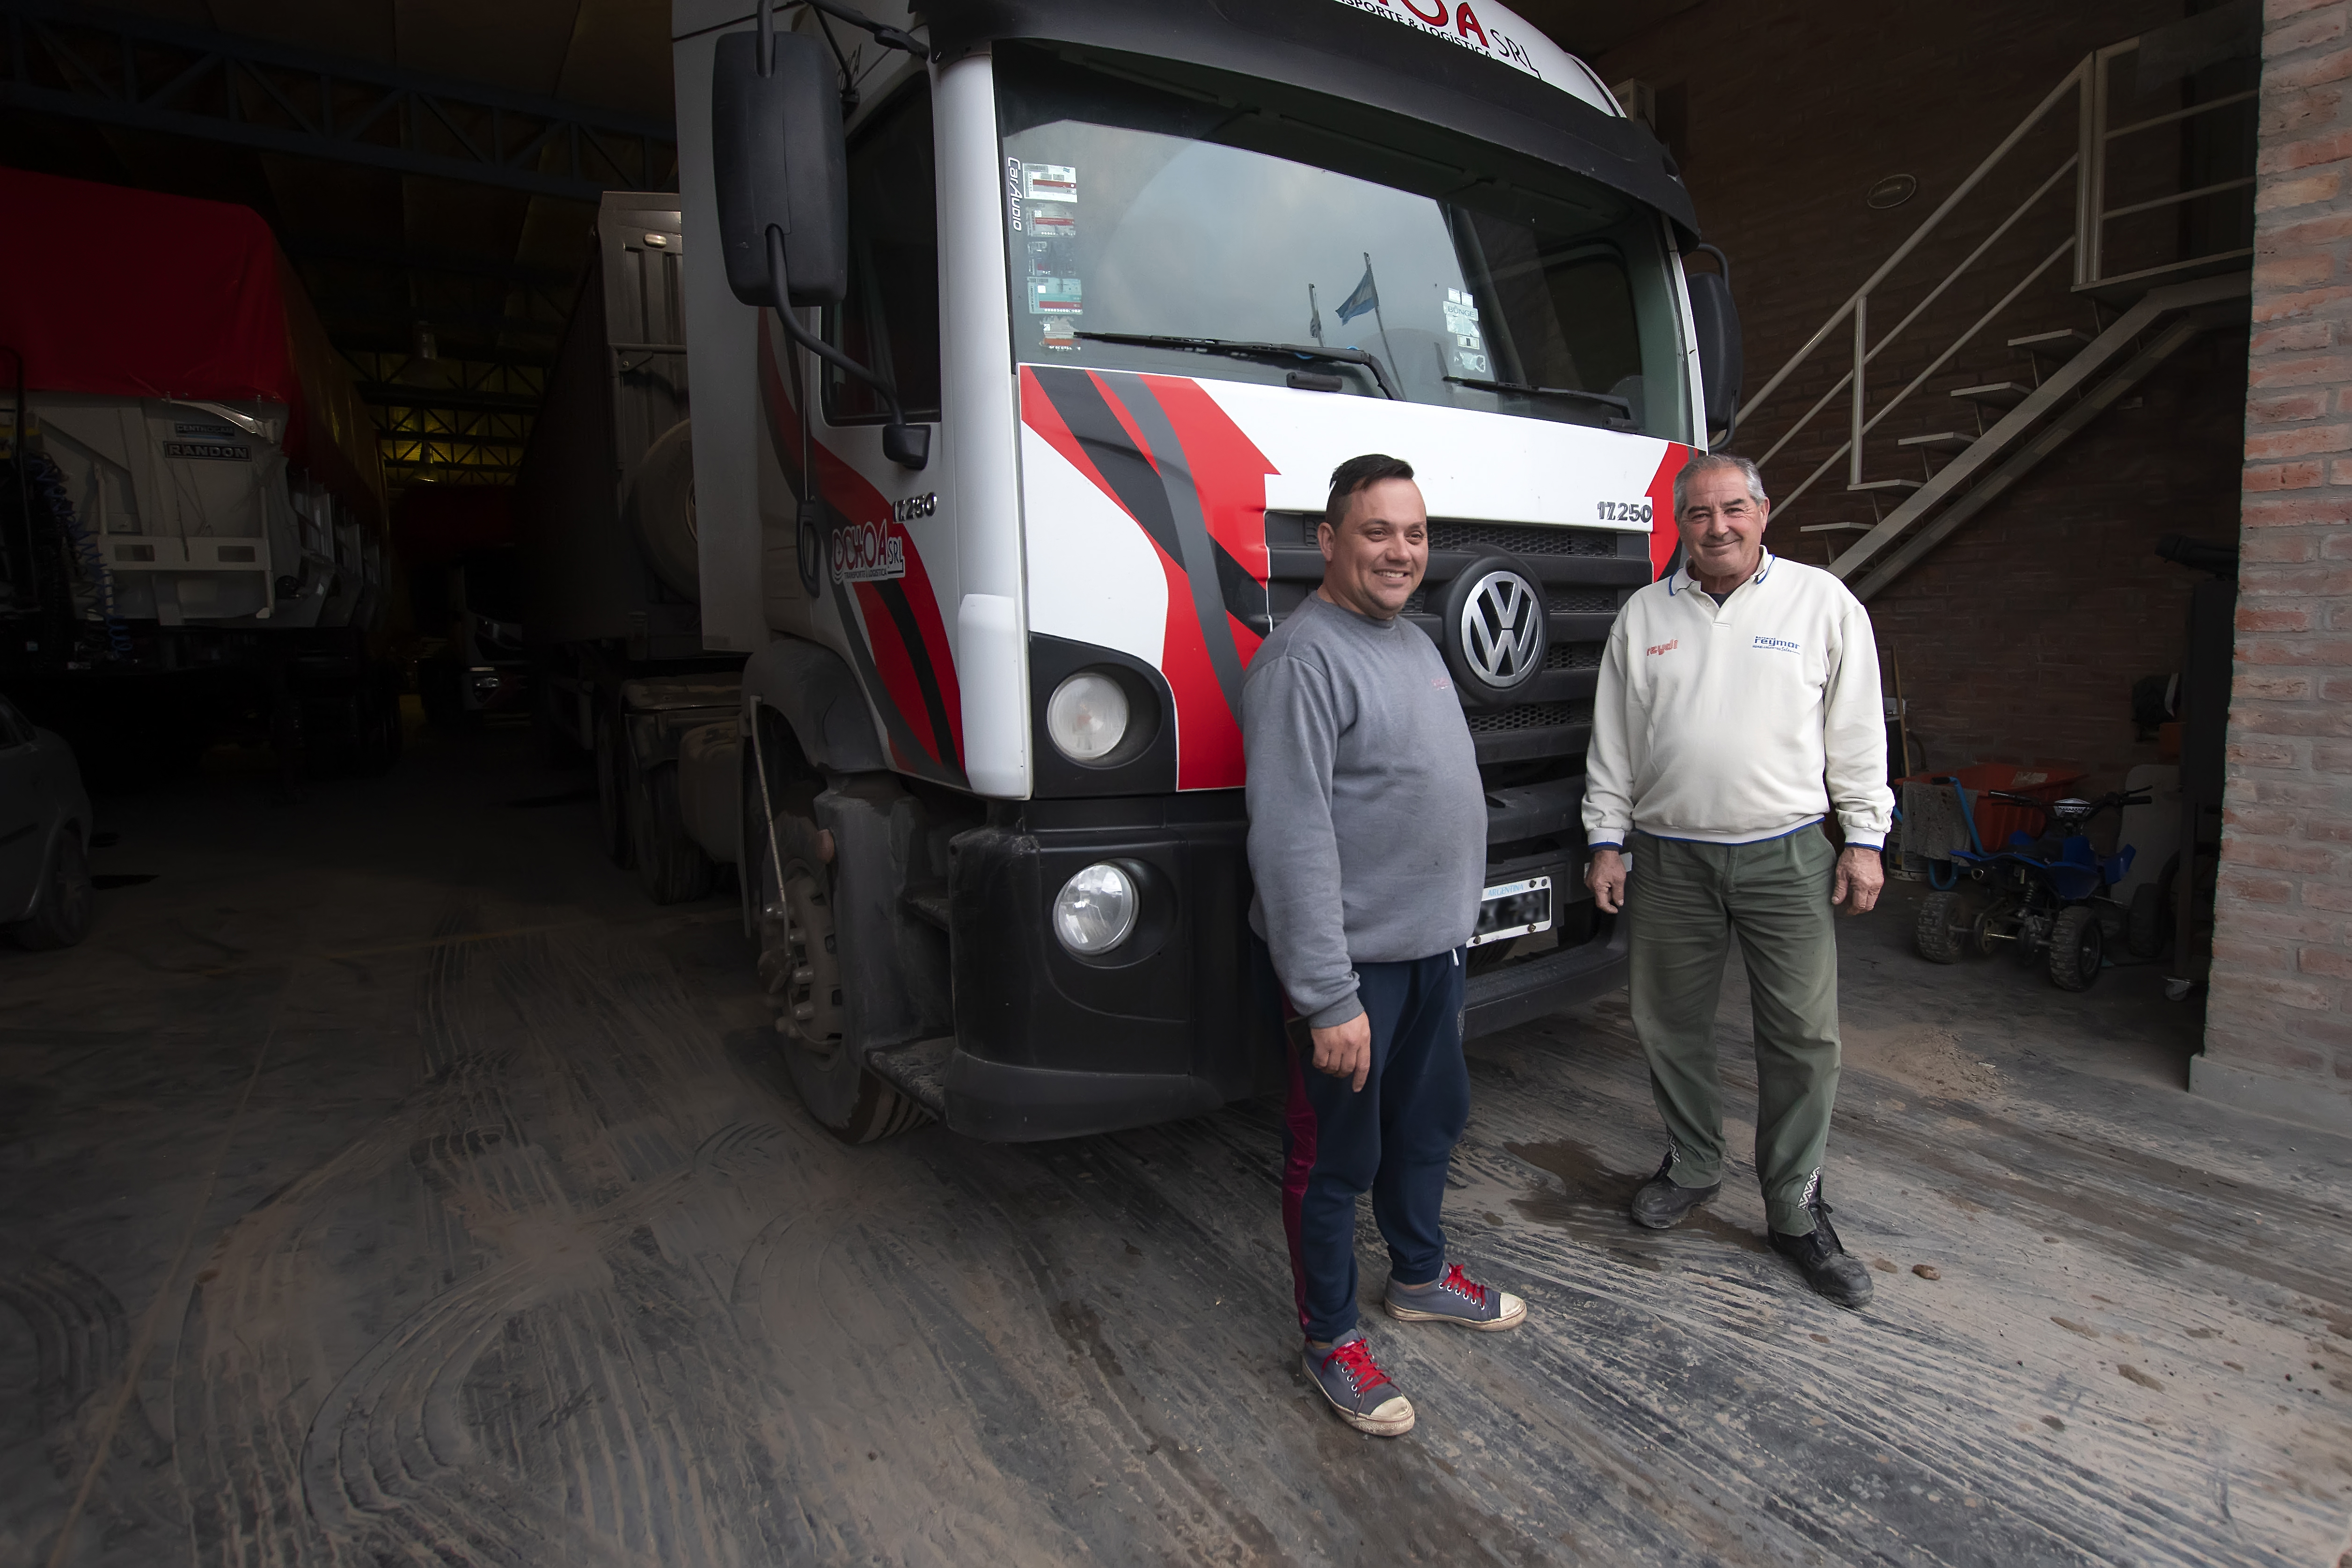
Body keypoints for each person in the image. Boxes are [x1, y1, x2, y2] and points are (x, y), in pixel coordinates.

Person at [1244, 453, 1525, 1438]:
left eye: (1413, 534)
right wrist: (1325, 996)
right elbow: (1289, 836)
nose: (1399, 552)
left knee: (1428, 1126)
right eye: (1376, 532)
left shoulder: (1411, 642)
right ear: (1327, 541)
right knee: (1332, 1159)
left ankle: (1414, 1275)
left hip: (1430, 955)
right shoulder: (1302, 660)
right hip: (1354, 971)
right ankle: (1328, 1339)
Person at [1581, 452, 1892, 1309]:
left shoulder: (1820, 602)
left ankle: (1794, 1205)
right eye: (1696, 514)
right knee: (1667, 1022)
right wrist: (1606, 839)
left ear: (1764, 511)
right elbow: (1613, 741)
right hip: (1668, 855)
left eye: (1732, 509)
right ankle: (1692, 1163)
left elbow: (1856, 730)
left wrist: (1863, 836)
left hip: (1786, 854)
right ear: (1676, 524)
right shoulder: (1644, 615)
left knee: (1801, 1034)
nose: (1715, 527)